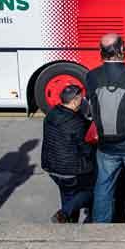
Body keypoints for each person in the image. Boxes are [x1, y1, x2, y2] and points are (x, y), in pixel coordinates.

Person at [85, 34, 125, 224]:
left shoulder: (92, 76)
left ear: (101, 53)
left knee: (103, 188)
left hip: (106, 146)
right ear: (122, 50)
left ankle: (100, 228)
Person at [41, 85, 95, 223]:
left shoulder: (51, 114)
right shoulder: (76, 122)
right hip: (70, 170)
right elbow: (86, 148)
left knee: (67, 194)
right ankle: (65, 212)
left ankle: (68, 222)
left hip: (51, 167)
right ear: (75, 101)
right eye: (81, 99)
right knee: (94, 192)